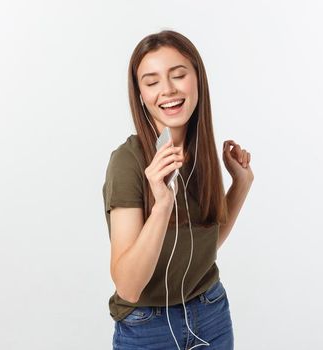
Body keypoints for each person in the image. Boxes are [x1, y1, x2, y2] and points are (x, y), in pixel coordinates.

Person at [102, 30, 255, 350]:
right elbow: (128, 287)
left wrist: (240, 184)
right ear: (140, 94)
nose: (167, 90)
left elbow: (205, 246)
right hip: (148, 327)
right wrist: (161, 206)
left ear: (197, 79)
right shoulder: (128, 162)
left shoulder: (200, 153)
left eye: (178, 75)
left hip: (210, 313)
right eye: (151, 81)